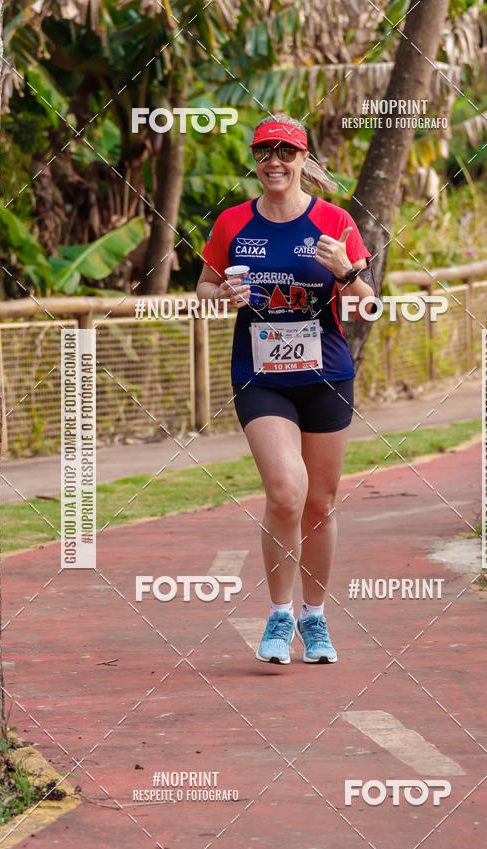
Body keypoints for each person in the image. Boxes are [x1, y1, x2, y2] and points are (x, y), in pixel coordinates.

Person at [197, 114, 375, 665]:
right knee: (284, 492)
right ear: (254, 159)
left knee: (319, 503)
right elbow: (203, 288)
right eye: (263, 152)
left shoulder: (334, 221)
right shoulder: (233, 224)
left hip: (327, 375)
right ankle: (278, 616)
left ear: (302, 159)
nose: (274, 162)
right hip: (260, 377)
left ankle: (314, 618)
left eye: (286, 152)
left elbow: (365, 306)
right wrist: (219, 292)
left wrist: (345, 271)